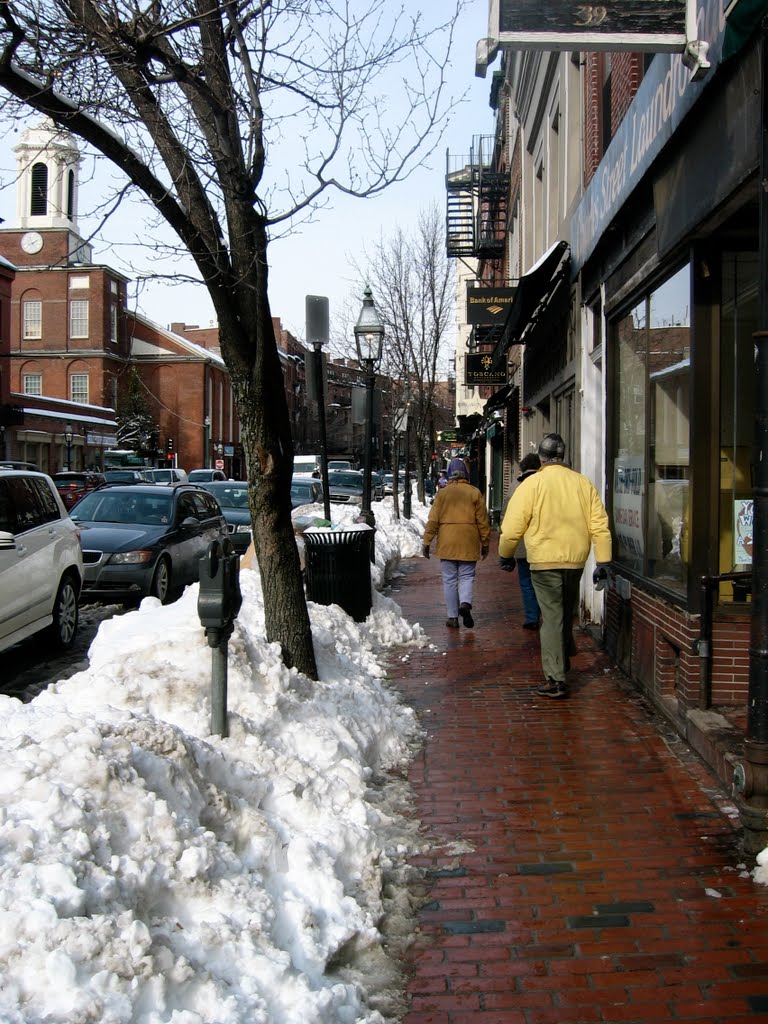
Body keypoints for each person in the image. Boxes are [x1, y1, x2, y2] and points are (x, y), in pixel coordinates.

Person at [498, 433, 612, 699]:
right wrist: (604, 560)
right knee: (563, 614)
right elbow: (599, 525)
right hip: (575, 561)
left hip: (544, 561)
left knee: (550, 618)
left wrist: (505, 554)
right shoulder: (583, 484)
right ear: (563, 457)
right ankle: (562, 656)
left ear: (541, 458)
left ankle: (555, 678)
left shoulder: (532, 484)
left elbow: (512, 527)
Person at [422, 459, 491, 629]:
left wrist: (427, 541)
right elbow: (483, 521)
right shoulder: (474, 493)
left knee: (449, 580)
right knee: (467, 576)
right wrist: (485, 542)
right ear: (466, 474)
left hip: (447, 540)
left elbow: (433, 520)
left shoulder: (442, 494)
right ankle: (465, 603)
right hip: (469, 538)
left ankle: (452, 617)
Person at [505, 452, 542, 630]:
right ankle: (546, 614)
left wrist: (506, 550)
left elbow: (507, 517)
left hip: (522, 545)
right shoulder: (546, 484)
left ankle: (531, 617)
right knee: (543, 582)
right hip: (544, 543)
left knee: (526, 582)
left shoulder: (515, 486)